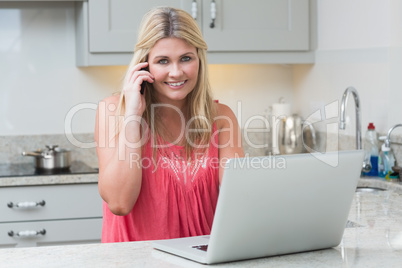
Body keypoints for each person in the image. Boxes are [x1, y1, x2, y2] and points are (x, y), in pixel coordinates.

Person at [95, 6, 244, 243]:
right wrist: (133, 115)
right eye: (162, 61)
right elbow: (120, 203)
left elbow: (239, 201)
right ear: (145, 65)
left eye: (186, 58)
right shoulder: (114, 111)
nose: (176, 72)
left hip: (203, 259)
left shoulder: (221, 117)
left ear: (199, 60)